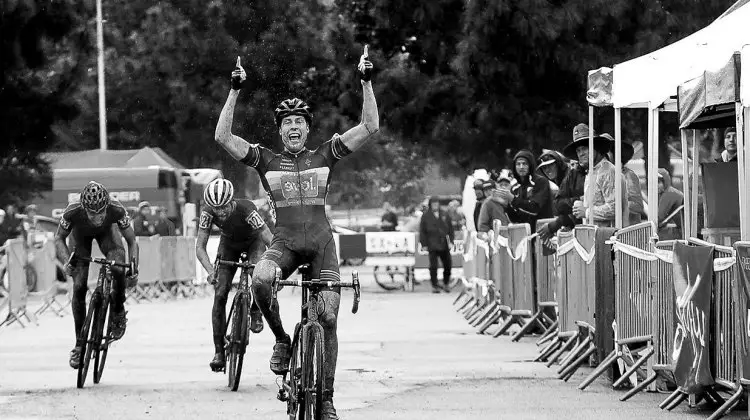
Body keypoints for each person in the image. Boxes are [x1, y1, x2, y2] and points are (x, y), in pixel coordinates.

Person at [214, 47, 377, 419]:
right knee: (259, 281)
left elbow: (370, 127)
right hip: (284, 243)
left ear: (307, 128)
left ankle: (328, 399)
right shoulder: (266, 160)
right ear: (280, 130)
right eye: (286, 122)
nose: (292, 127)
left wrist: (366, 82)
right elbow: (223, 136)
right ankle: (283, 340)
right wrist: (234, 90)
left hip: (322, 244)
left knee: (330, 318)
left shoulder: (326, 154)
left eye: (298, 122)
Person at [54, 181, 139, 369]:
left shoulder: (116, 208)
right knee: (79, 286)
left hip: (108, 235)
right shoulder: (73, 210)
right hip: (80, 239)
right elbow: (58, 237)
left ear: (106, 206)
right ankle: (78, 345)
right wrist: (67, 260)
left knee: (118, 267)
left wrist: (133, 268)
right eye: (93, 213)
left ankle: (118, 308)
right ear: (84, 208)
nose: (98, 217)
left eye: (101, 212)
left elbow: (132, 241)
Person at [195, 179, 273, 371]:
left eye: (223, 207)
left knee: (260, 278)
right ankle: (219, 351)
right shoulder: (208, 212)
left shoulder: (247, 209)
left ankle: (256, 309)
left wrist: (275, 263)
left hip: (253, 242)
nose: (220, 212)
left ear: (231, 201)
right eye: (216, 209)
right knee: (220, 294)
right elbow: (200, 247)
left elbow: (267, 237)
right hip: (228, 244)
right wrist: (210, 271)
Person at [565, 124, 627, 228]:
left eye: (584, 148)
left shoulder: (608, 171)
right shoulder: (591, 172)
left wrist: (587, 212)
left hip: (610, 238)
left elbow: (615, 207)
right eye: (578, 150)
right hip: (595, 237)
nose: (581, 153)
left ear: (596, 148)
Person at [502, 150, 553, 227]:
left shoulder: (541, 182)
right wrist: (506, 205)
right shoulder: (515, 188)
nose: (521, 167)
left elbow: (535, 208)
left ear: (530, 165)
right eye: (518, 164)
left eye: (524, 164)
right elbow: (515, 219)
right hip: (524, 232)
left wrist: (513, 199)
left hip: (542, 229)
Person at [602, 134, 644, 226]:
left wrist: (614, 205)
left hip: (628, 234)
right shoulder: (601, 178)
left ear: (615, 153)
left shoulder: (628, 176)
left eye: (606, 152)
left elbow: (638, 206)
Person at [419, 196, 454, 294]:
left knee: (448, 265)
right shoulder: (426, 216)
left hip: (444, 243)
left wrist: (451, 241)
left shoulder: (444, 214)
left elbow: (450, 229)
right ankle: (435, 285)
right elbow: (422, 231)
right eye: (433, 203)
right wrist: (424, 244)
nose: (435, 205)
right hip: (432, 243)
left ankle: (446, 283)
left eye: (437, 203)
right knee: (433, 266)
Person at [477, 170, 512, 238]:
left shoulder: (514, 201)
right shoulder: (488, 202)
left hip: (514, 239)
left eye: (506, 185)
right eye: (501, 185)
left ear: (510, 186)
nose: (503, 187)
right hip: (497, 242)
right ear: (497, 186)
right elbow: (482, 227)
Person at [657, 169, 684, 240]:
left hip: (686, 230)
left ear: (665, 182)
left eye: (659, 182)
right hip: (685, 228)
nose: (656, 186)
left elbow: (659, 219)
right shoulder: (670, 191)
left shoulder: (668, 194)